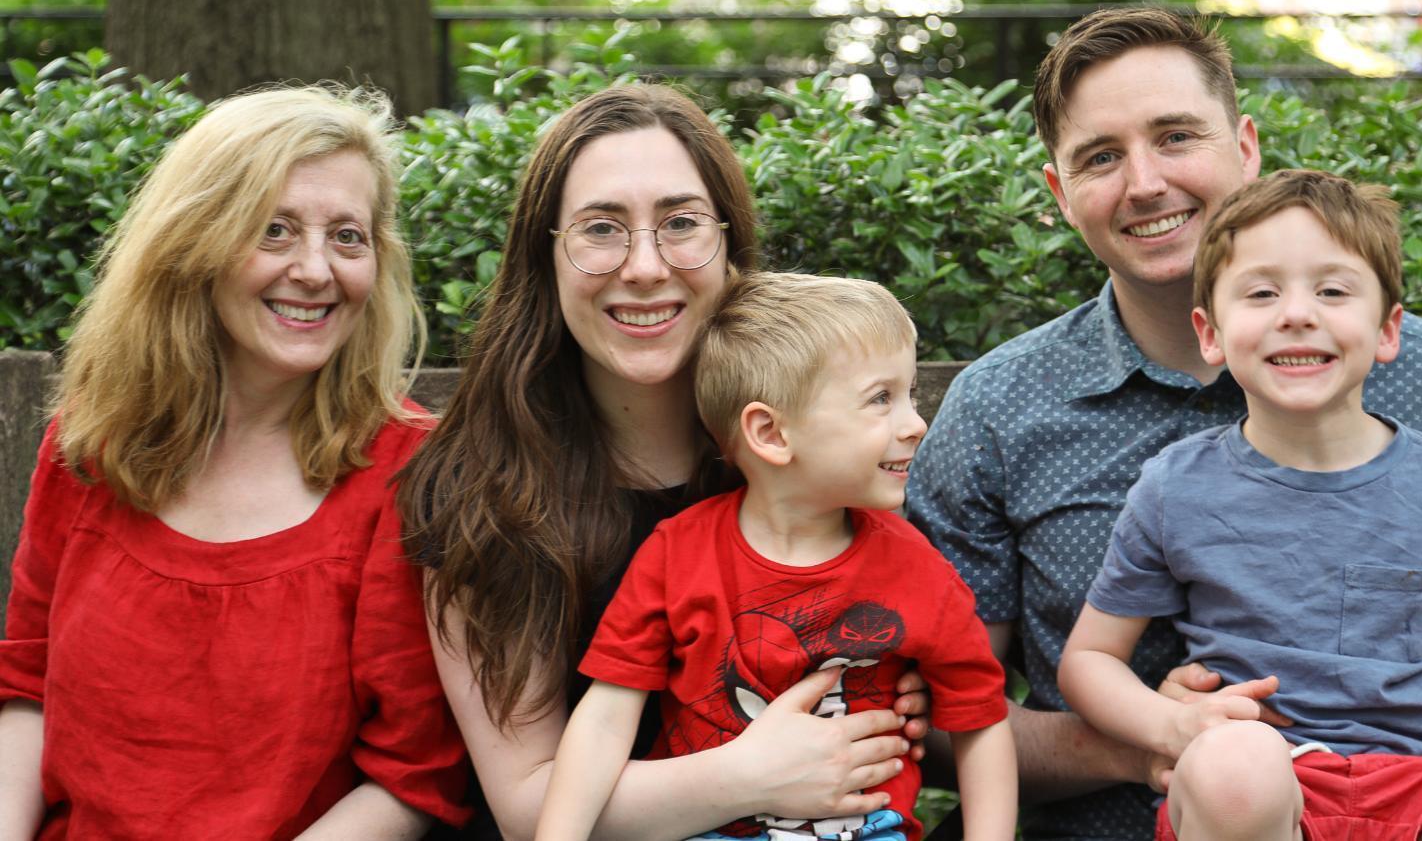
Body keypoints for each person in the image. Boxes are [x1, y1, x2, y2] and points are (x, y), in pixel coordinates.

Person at [904, 7, 1422, 841]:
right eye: (1101, 156)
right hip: (1137, 817)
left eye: (1175, 136)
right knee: (1239, 772)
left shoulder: (1420, 372)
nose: (1144, 182)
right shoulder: (999, 407)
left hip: (1416, 804)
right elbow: (941, 718)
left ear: (1245, 147)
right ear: (1060, 194)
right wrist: (1150, 742)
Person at [398, 85, 930, 841]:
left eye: (681, 223)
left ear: (730, 245)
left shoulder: (823, 454)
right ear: (546, 256)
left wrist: (896, 695)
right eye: (601, 229)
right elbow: (527, 803)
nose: (645, 266)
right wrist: (748, 774)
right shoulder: (486, 489)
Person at [1059, 169, 1422, 841]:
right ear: (1211, 333)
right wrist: (1173, 724)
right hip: (1267, 784)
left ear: (1387, 330)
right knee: (1235, 761)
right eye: (1261, 292)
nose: (1296, 313)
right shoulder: (1177, 486)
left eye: (1333, 291)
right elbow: (1090, 660)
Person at [0, 86, 469, 840]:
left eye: (347, 237)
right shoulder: (91, 441)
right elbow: (27, 683)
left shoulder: (407, 475)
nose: (315, 269)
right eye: (274, 230)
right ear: (195, 240)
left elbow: (411, 772)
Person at [537, 271, 1016, 841]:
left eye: (909, 394)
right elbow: (607, 715)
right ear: (770, 433)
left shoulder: (917, 570)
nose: (915, 423)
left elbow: (981, 721)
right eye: (880, 399)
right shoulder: (677, 555)